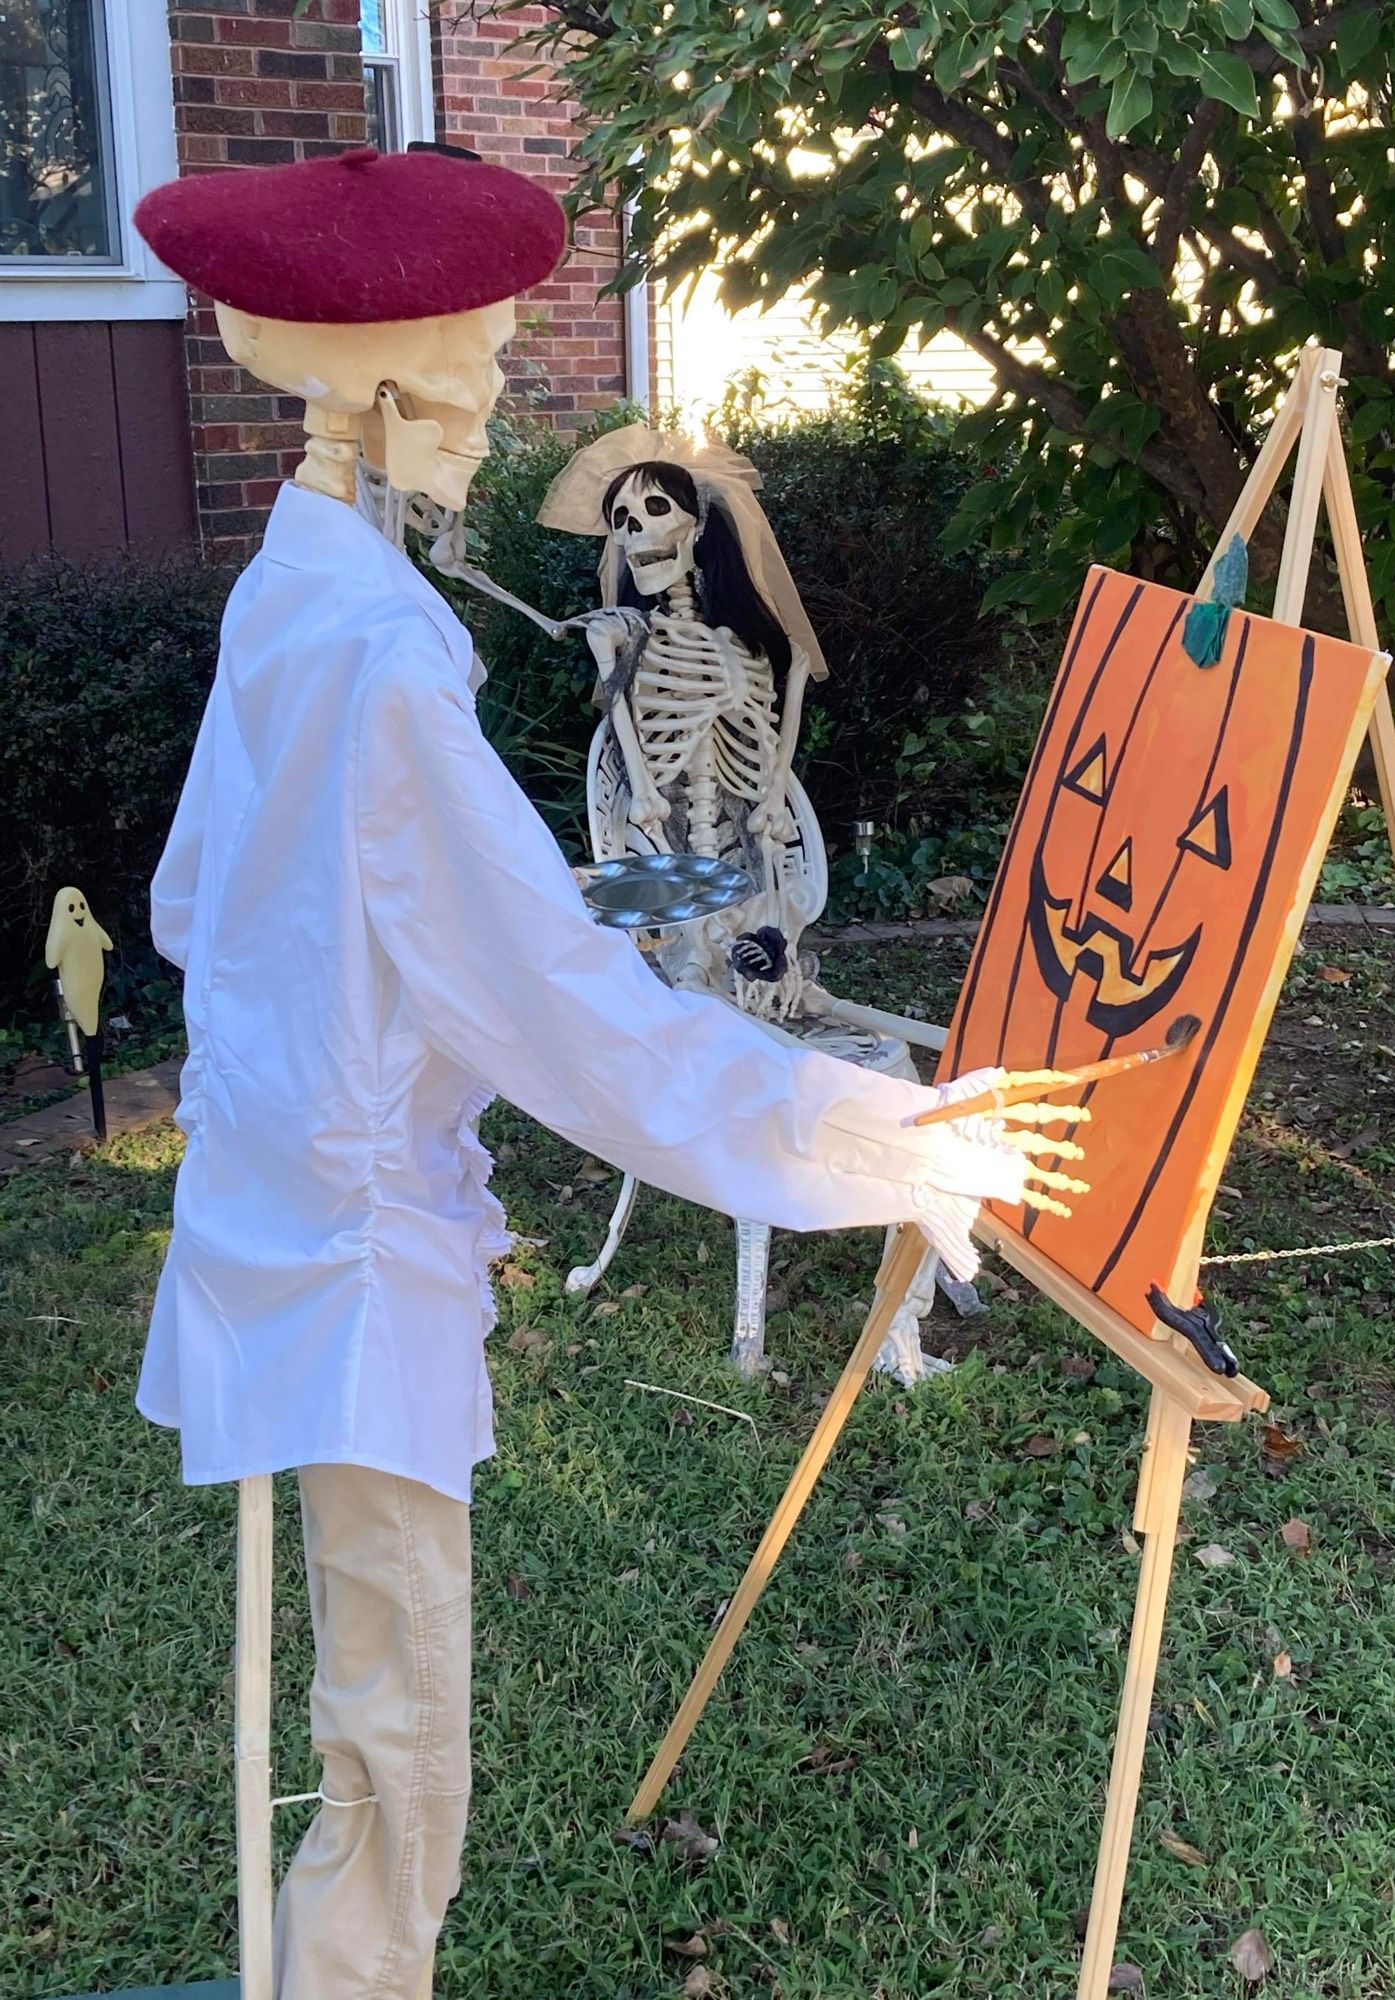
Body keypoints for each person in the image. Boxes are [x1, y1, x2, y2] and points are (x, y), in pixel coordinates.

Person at [131, 147, 1052, 1999]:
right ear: (380, 390)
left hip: (288, 1200)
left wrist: (414, 972)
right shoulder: (383, 653)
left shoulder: (287, 599)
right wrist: (873, 1134)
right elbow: (562, 1013)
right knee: (395, 1741)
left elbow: (205, 899)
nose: (491, 416)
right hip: (348, 1250)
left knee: (366, 1713)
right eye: (472, 373)